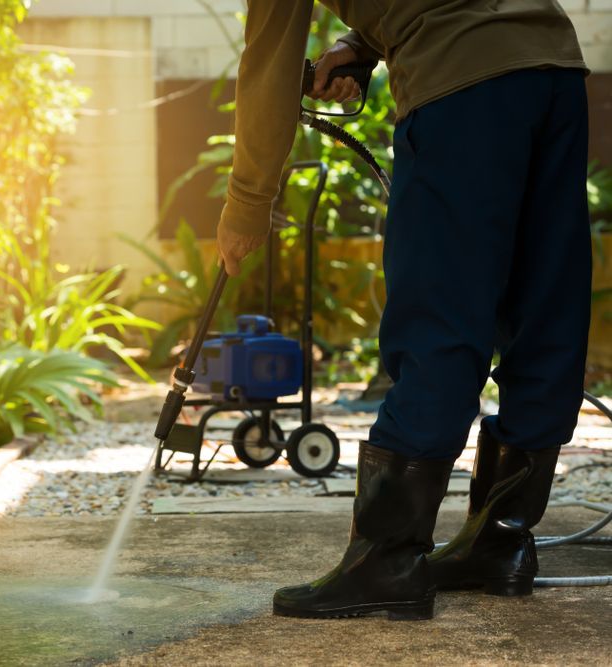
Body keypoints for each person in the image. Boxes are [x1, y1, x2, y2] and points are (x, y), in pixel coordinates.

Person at [217, 1, 592, 620]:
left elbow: (269, 67)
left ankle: (387, 559)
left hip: (462, 91)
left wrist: (248, 201)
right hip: (552, 67)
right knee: (544, 307)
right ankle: (501, 543)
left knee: (440, 317)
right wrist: (361, 47)